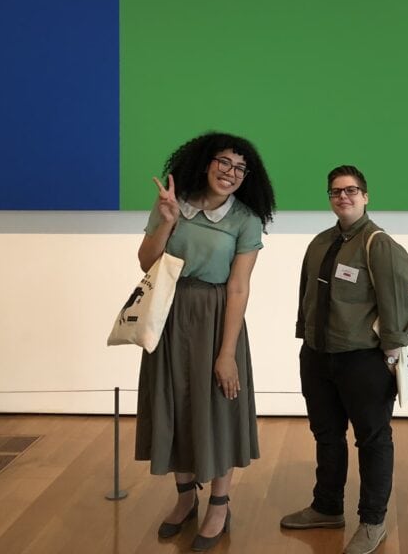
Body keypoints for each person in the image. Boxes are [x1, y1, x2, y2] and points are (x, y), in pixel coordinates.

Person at [135, 131, 275, 551]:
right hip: (169, 311)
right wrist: (167, 220)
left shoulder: (245, 220)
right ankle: (184, 501)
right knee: (174, 404)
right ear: (204, 162)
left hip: (217, 318)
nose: (231, 173)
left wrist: (227, 353)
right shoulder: (173, 204)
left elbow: (238, 288)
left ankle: (218, 504)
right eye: (224, 162)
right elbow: (146, 263)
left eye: (239, 167)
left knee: (217, 408)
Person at [281, 165, 408, 554]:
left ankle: (372, 522)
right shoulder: (320, 243)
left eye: (352, 190)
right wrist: (304, 334)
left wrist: (392, 350)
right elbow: (306, 294)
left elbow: (398, 303)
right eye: (336, 191)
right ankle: (327, 507)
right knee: (326, 435)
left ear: (366, 195)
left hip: (364, 361)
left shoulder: (380, 244)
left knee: (372, 439)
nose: (344, 196)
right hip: (318, 356)